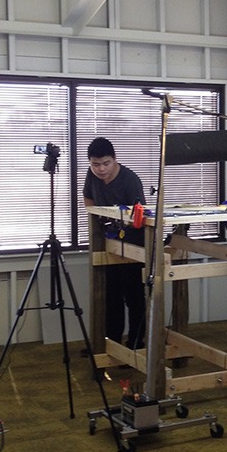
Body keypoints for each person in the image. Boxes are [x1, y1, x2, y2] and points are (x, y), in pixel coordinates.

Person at [83, 137, 147, 352]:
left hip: (133, 243)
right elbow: (88, 198)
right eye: (96, 164)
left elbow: (140, 215)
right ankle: (112, 342)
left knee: (133, 295)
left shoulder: (130, 180)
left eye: (106, 164)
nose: (101, 169)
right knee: (111, 295)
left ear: (115, 160)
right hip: (108, 241)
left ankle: (136, 344)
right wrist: (98, 219)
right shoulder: (91, 175)